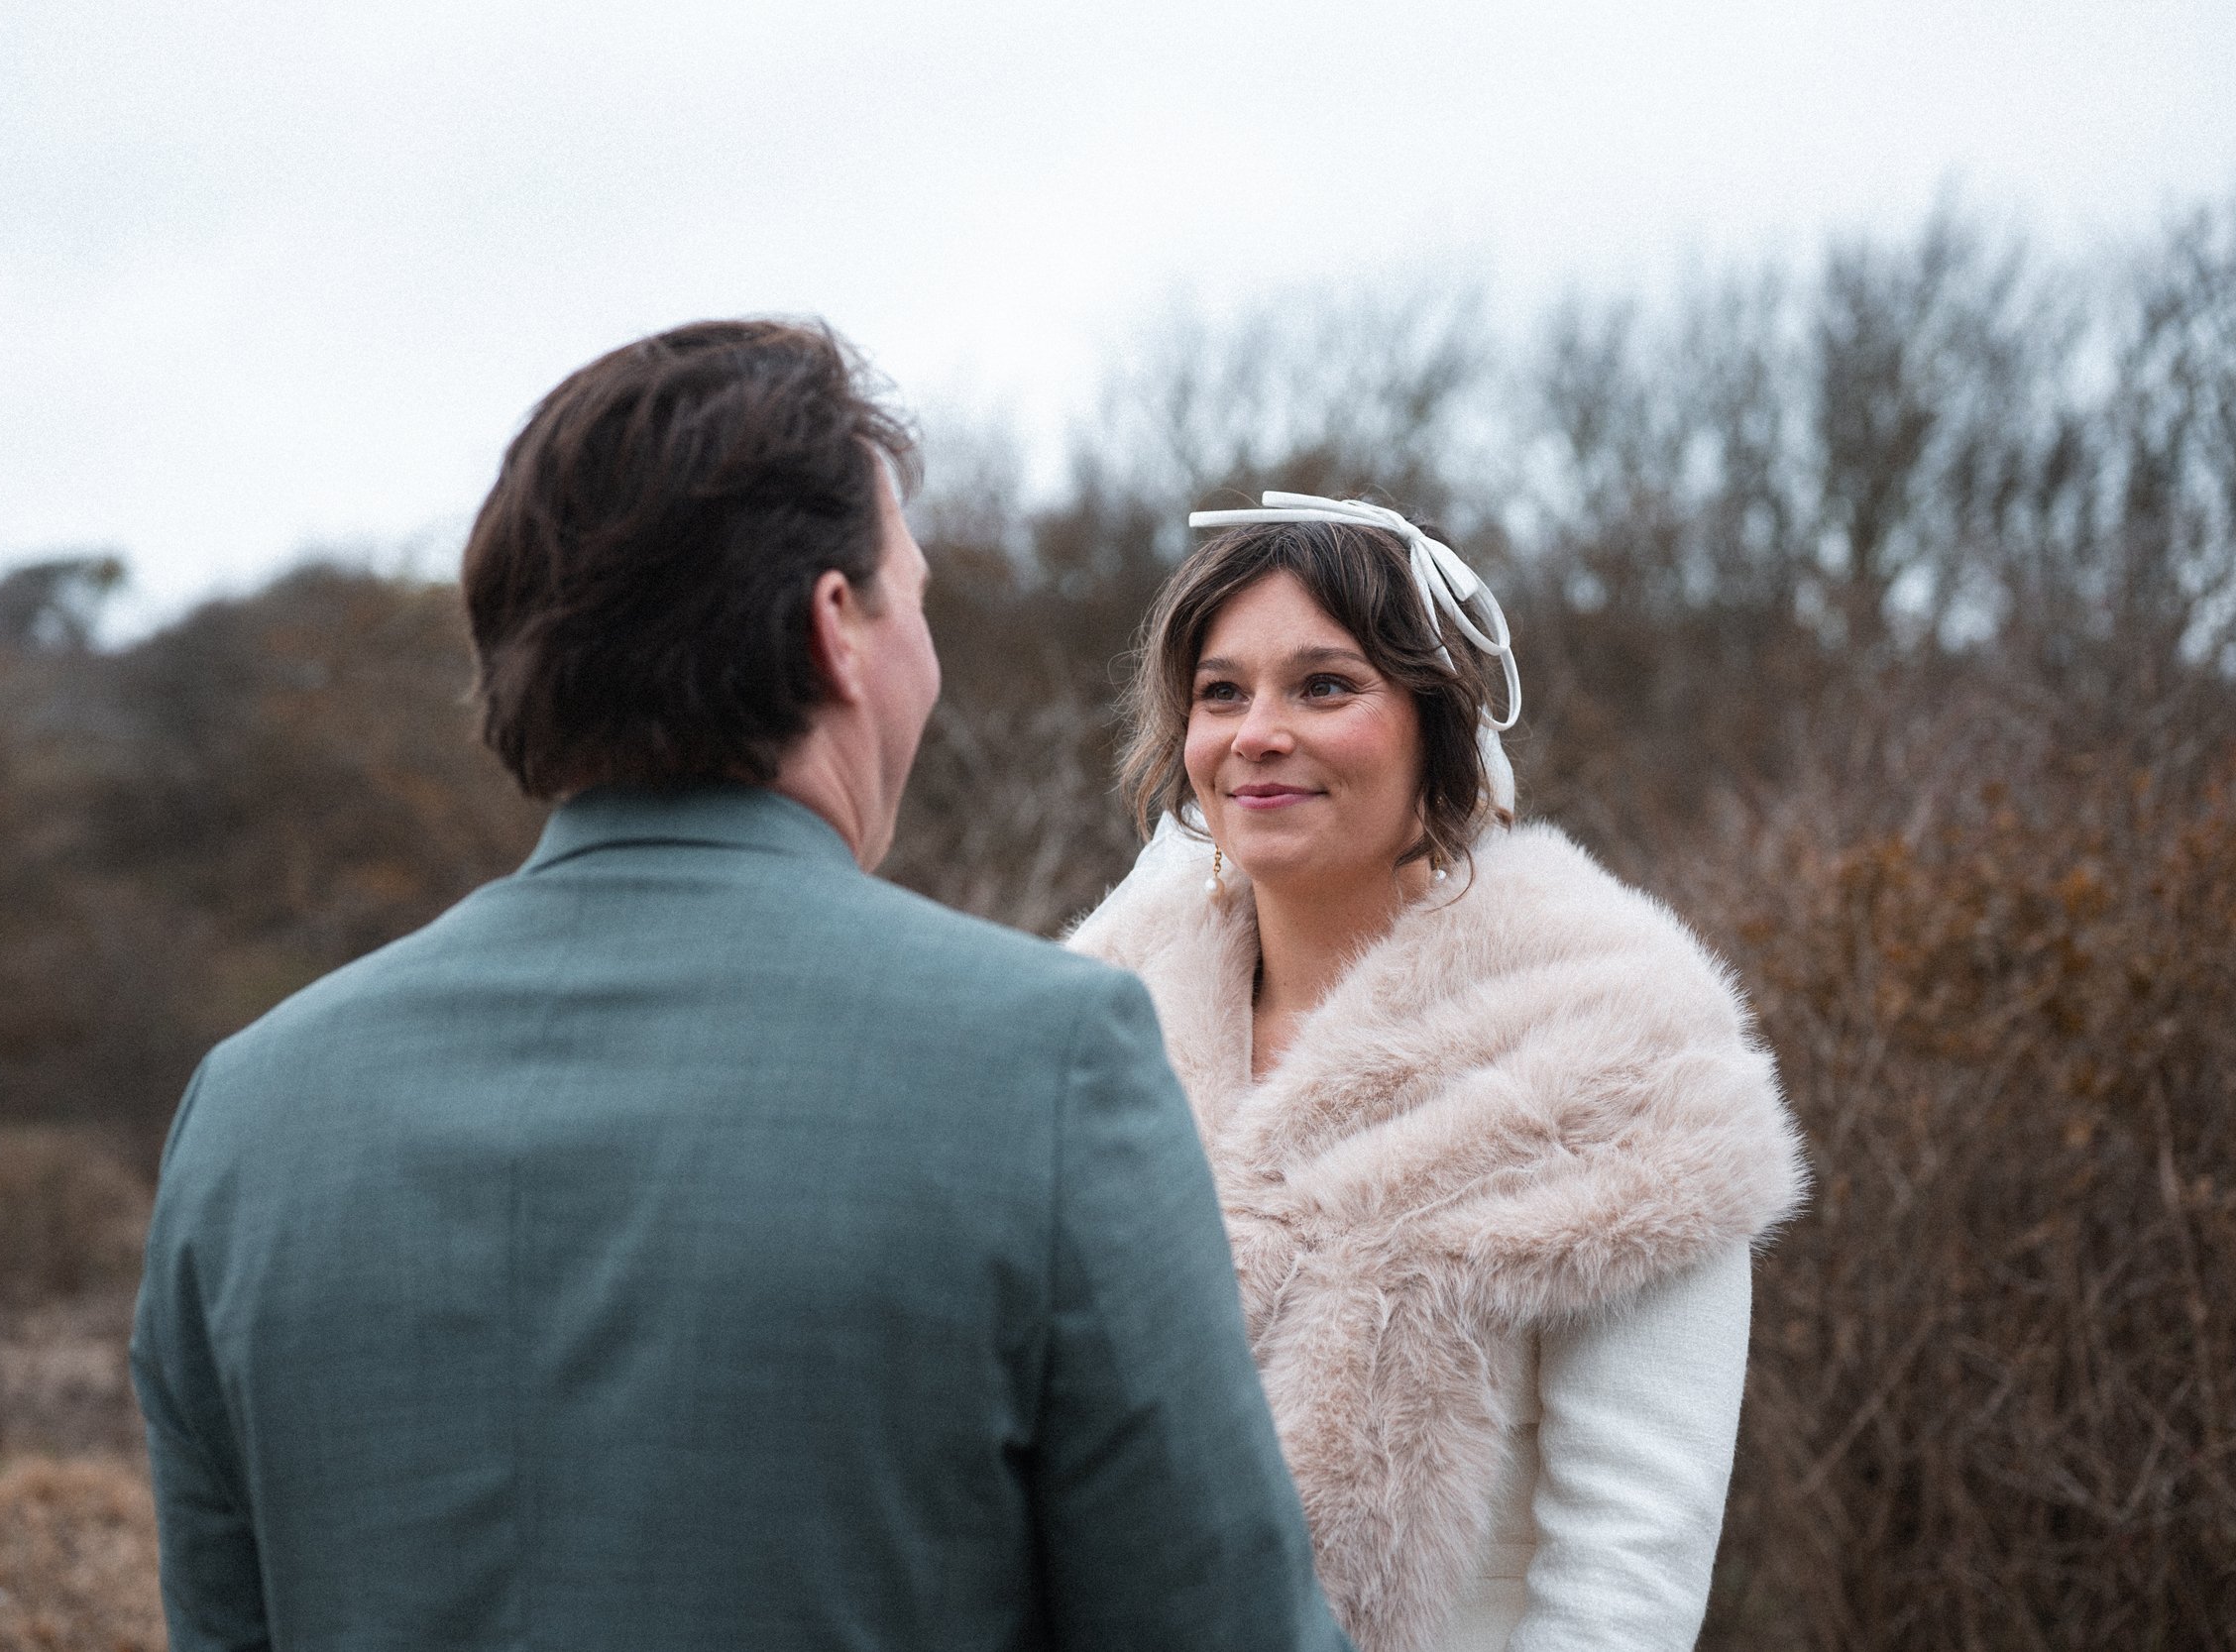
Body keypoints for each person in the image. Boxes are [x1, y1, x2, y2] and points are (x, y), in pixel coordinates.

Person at [129, 323, 1350, 1652]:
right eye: (915, 597)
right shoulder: (1048, 1060)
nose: (927, 655)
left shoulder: (248, 1110)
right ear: (837, 629)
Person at [1066, 494, 1807, 1652]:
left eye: (1324, 685)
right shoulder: (1097, 1028)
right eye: (1221, 692)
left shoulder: (1618, 1055)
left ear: (1439, 721)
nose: (1258, 732)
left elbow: (1627, 1572)